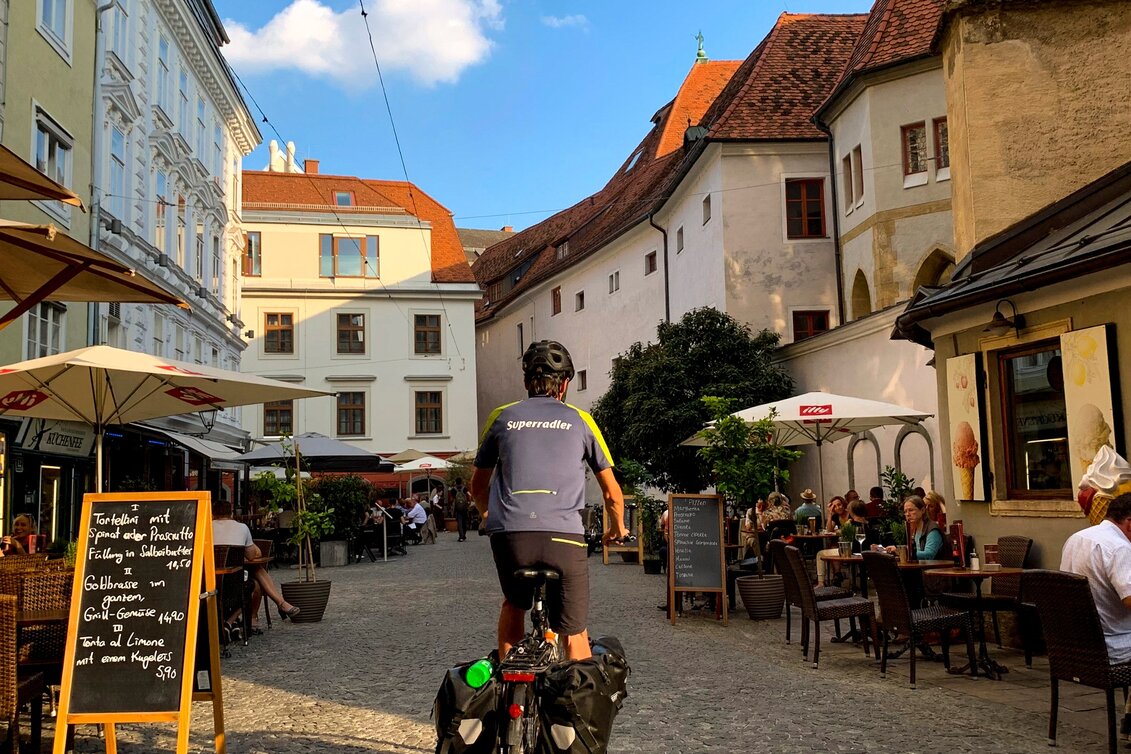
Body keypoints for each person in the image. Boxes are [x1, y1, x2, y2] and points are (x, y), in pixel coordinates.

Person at [471, 340, 627, 661]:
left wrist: (487, 515)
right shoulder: (581, 420)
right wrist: (617, 529)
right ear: (565, 383)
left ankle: (508, 679)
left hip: (511, 537)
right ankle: (576, 686)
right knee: (575, 630)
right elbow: (612, 493)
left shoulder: (501, 416)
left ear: (526, 381)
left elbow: (477, 486)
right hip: (564, 538)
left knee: (514, 604)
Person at [1061, 493, 1131, 730]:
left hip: (1075, 645)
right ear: (1130, 523)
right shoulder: (1120, 548)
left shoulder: (1076, 538)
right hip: (1111, 646)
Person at [212, 498, 299, 633]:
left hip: (210, 581)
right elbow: (252, 555)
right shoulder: (241, 528)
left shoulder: (205, 528)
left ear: (212, 513)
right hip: (235, 582)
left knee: (255, 576)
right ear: (231, 513)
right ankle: (278, 605)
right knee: (255, 578)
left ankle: (276, 606)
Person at [882, 495, 943, 560]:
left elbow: (929, 555)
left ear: (922, 510)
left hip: (932, 566)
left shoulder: (932, 529)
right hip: (915, 565)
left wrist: (900, 551)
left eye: (911, 510)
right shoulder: (910, 529)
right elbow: (908, 551)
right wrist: (894, 551)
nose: (907, 514)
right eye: (905, 511)